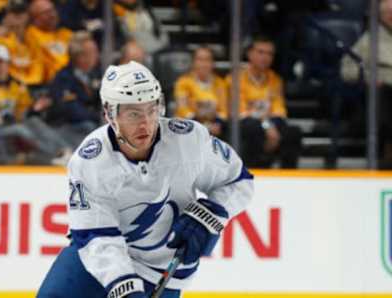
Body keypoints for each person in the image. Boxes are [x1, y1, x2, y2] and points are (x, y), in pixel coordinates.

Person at [37, 61, 254, 298]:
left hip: (162, 272)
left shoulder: (189, 140)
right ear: (110, 114)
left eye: (151, 110)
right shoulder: (90, 161)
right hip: (96, 261)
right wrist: (124, 286)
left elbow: (239, 180)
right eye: (133, 113)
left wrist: (210, 215)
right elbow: (96, 235)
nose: (145, 123)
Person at [227, 35, 301, 168]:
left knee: (293, 132)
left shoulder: (275, 80)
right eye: (260, 52)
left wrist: (270, 126)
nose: (265, 57)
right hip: (247, 125)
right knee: (252, 128)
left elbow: (279, 110)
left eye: (269, 54)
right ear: (250, 54)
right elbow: (241, 111)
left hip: (269, 125)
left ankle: (288, 175)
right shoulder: (235, 79)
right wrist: (266, 126)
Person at [341, 0, 392, 168]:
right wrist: (367, 78)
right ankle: (384, 153)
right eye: (388, 12)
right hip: (382, 91)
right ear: (380, 15)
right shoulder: (370, 38)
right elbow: (347, 68)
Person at [174, 47, 228, 139]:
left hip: (215, 128)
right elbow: (182, 109)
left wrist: (218, 124)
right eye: (200, 60)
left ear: (212, 63)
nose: (203, 64)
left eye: (207, 60)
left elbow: (223, 110)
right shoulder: (183, 82)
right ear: (193, 62)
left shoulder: (220, 83)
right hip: (190, 127)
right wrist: (202, 127)